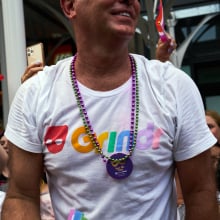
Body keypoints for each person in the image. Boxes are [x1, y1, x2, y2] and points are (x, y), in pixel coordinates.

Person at [1, 0, 219, 219]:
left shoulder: (173, 86)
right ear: (69, 6)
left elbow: (200, 193)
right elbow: (22, 197)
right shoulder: (35, 94)